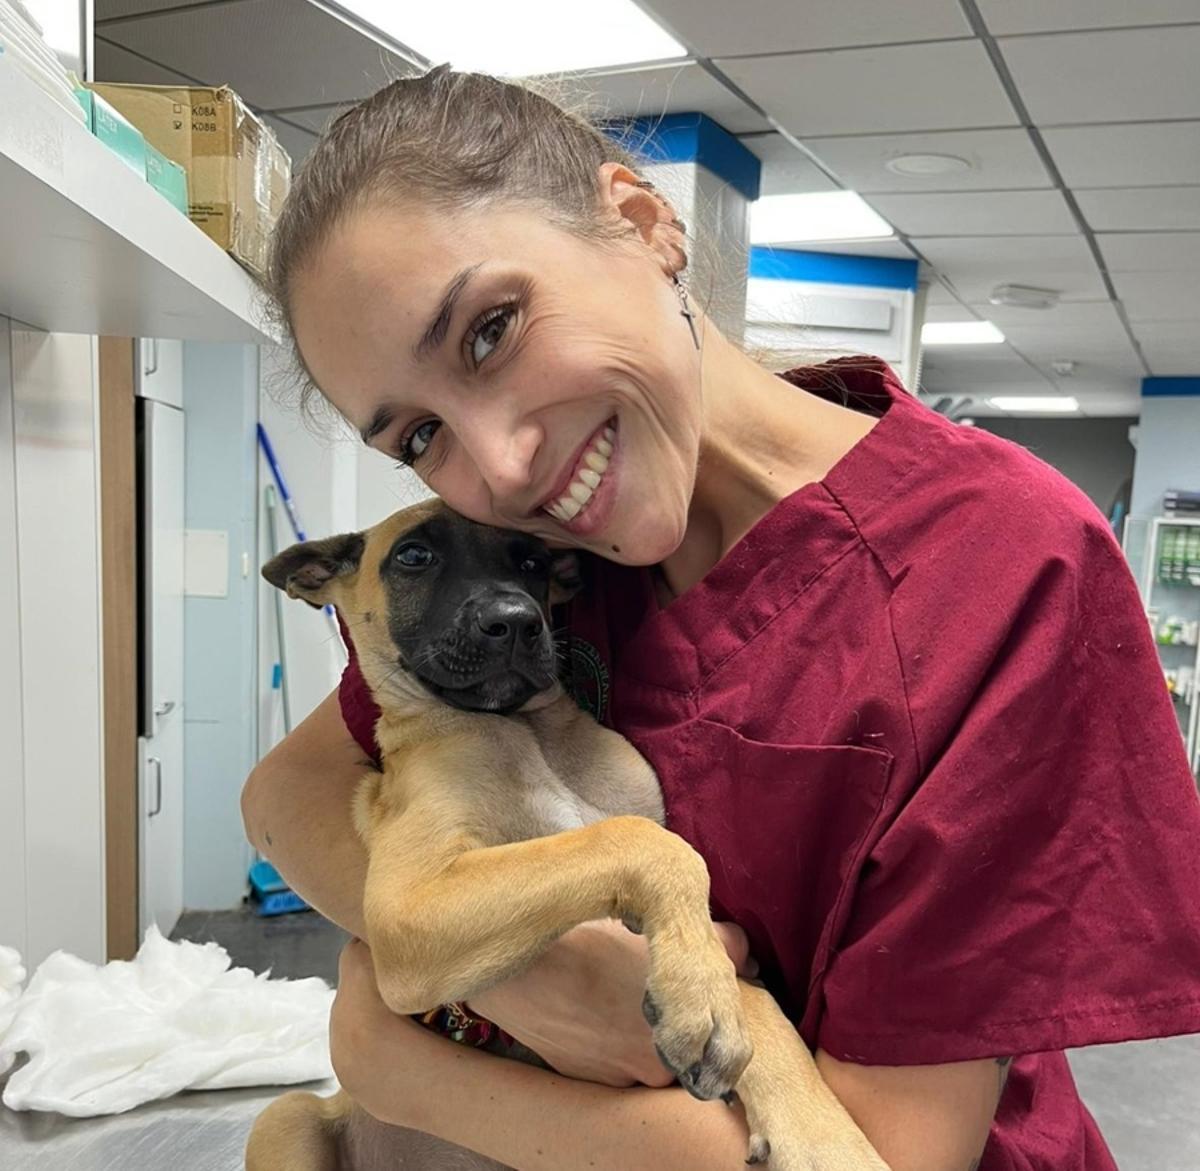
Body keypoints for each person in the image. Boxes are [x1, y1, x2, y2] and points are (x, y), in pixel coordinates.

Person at [241, 66, 1200, 1171]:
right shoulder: (531, 567)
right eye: (417, 437)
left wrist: (398, 1066)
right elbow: (287, 795)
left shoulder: (1004, 566)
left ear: (646, 225)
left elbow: (877, 1153)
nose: (500, 466)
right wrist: (529, 975)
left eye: (492, 331)